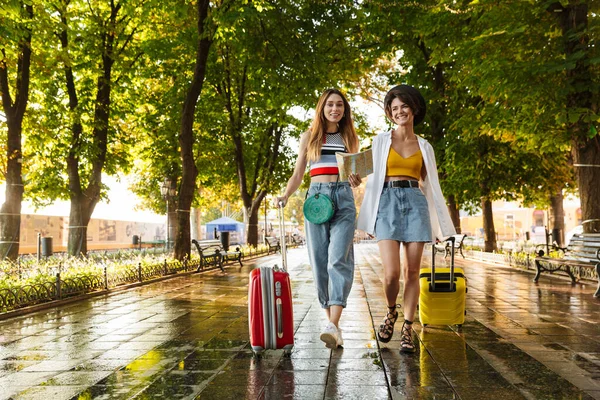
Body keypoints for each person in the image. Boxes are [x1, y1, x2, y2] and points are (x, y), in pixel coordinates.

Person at [357, 85, 456, 353]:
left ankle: (407, 328)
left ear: (413, 109)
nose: (399, 111)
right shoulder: (380, 141)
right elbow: (363, 171)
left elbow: (431, 186)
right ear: (390, 113)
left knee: (413, 272)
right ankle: (391, 311)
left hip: (415, 203)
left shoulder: (424, 146)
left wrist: (437, 225)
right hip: (386, 203)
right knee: (391, 274)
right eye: (394, 108)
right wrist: (355, 176)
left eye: (404, 106)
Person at [276, 88, 362, 349]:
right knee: (320, 261)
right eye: (330, 105)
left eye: (339, 105)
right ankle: (333, 327)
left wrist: (356, 180)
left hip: (343, 199)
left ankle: (332, 325)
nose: (335, 109)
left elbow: (354, 175)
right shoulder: (309, 137)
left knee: (339, 259)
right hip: (316, 200)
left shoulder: (350, 138)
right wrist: (286, 195)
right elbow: (298, 173)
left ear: (344, 110)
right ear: (322, 108)